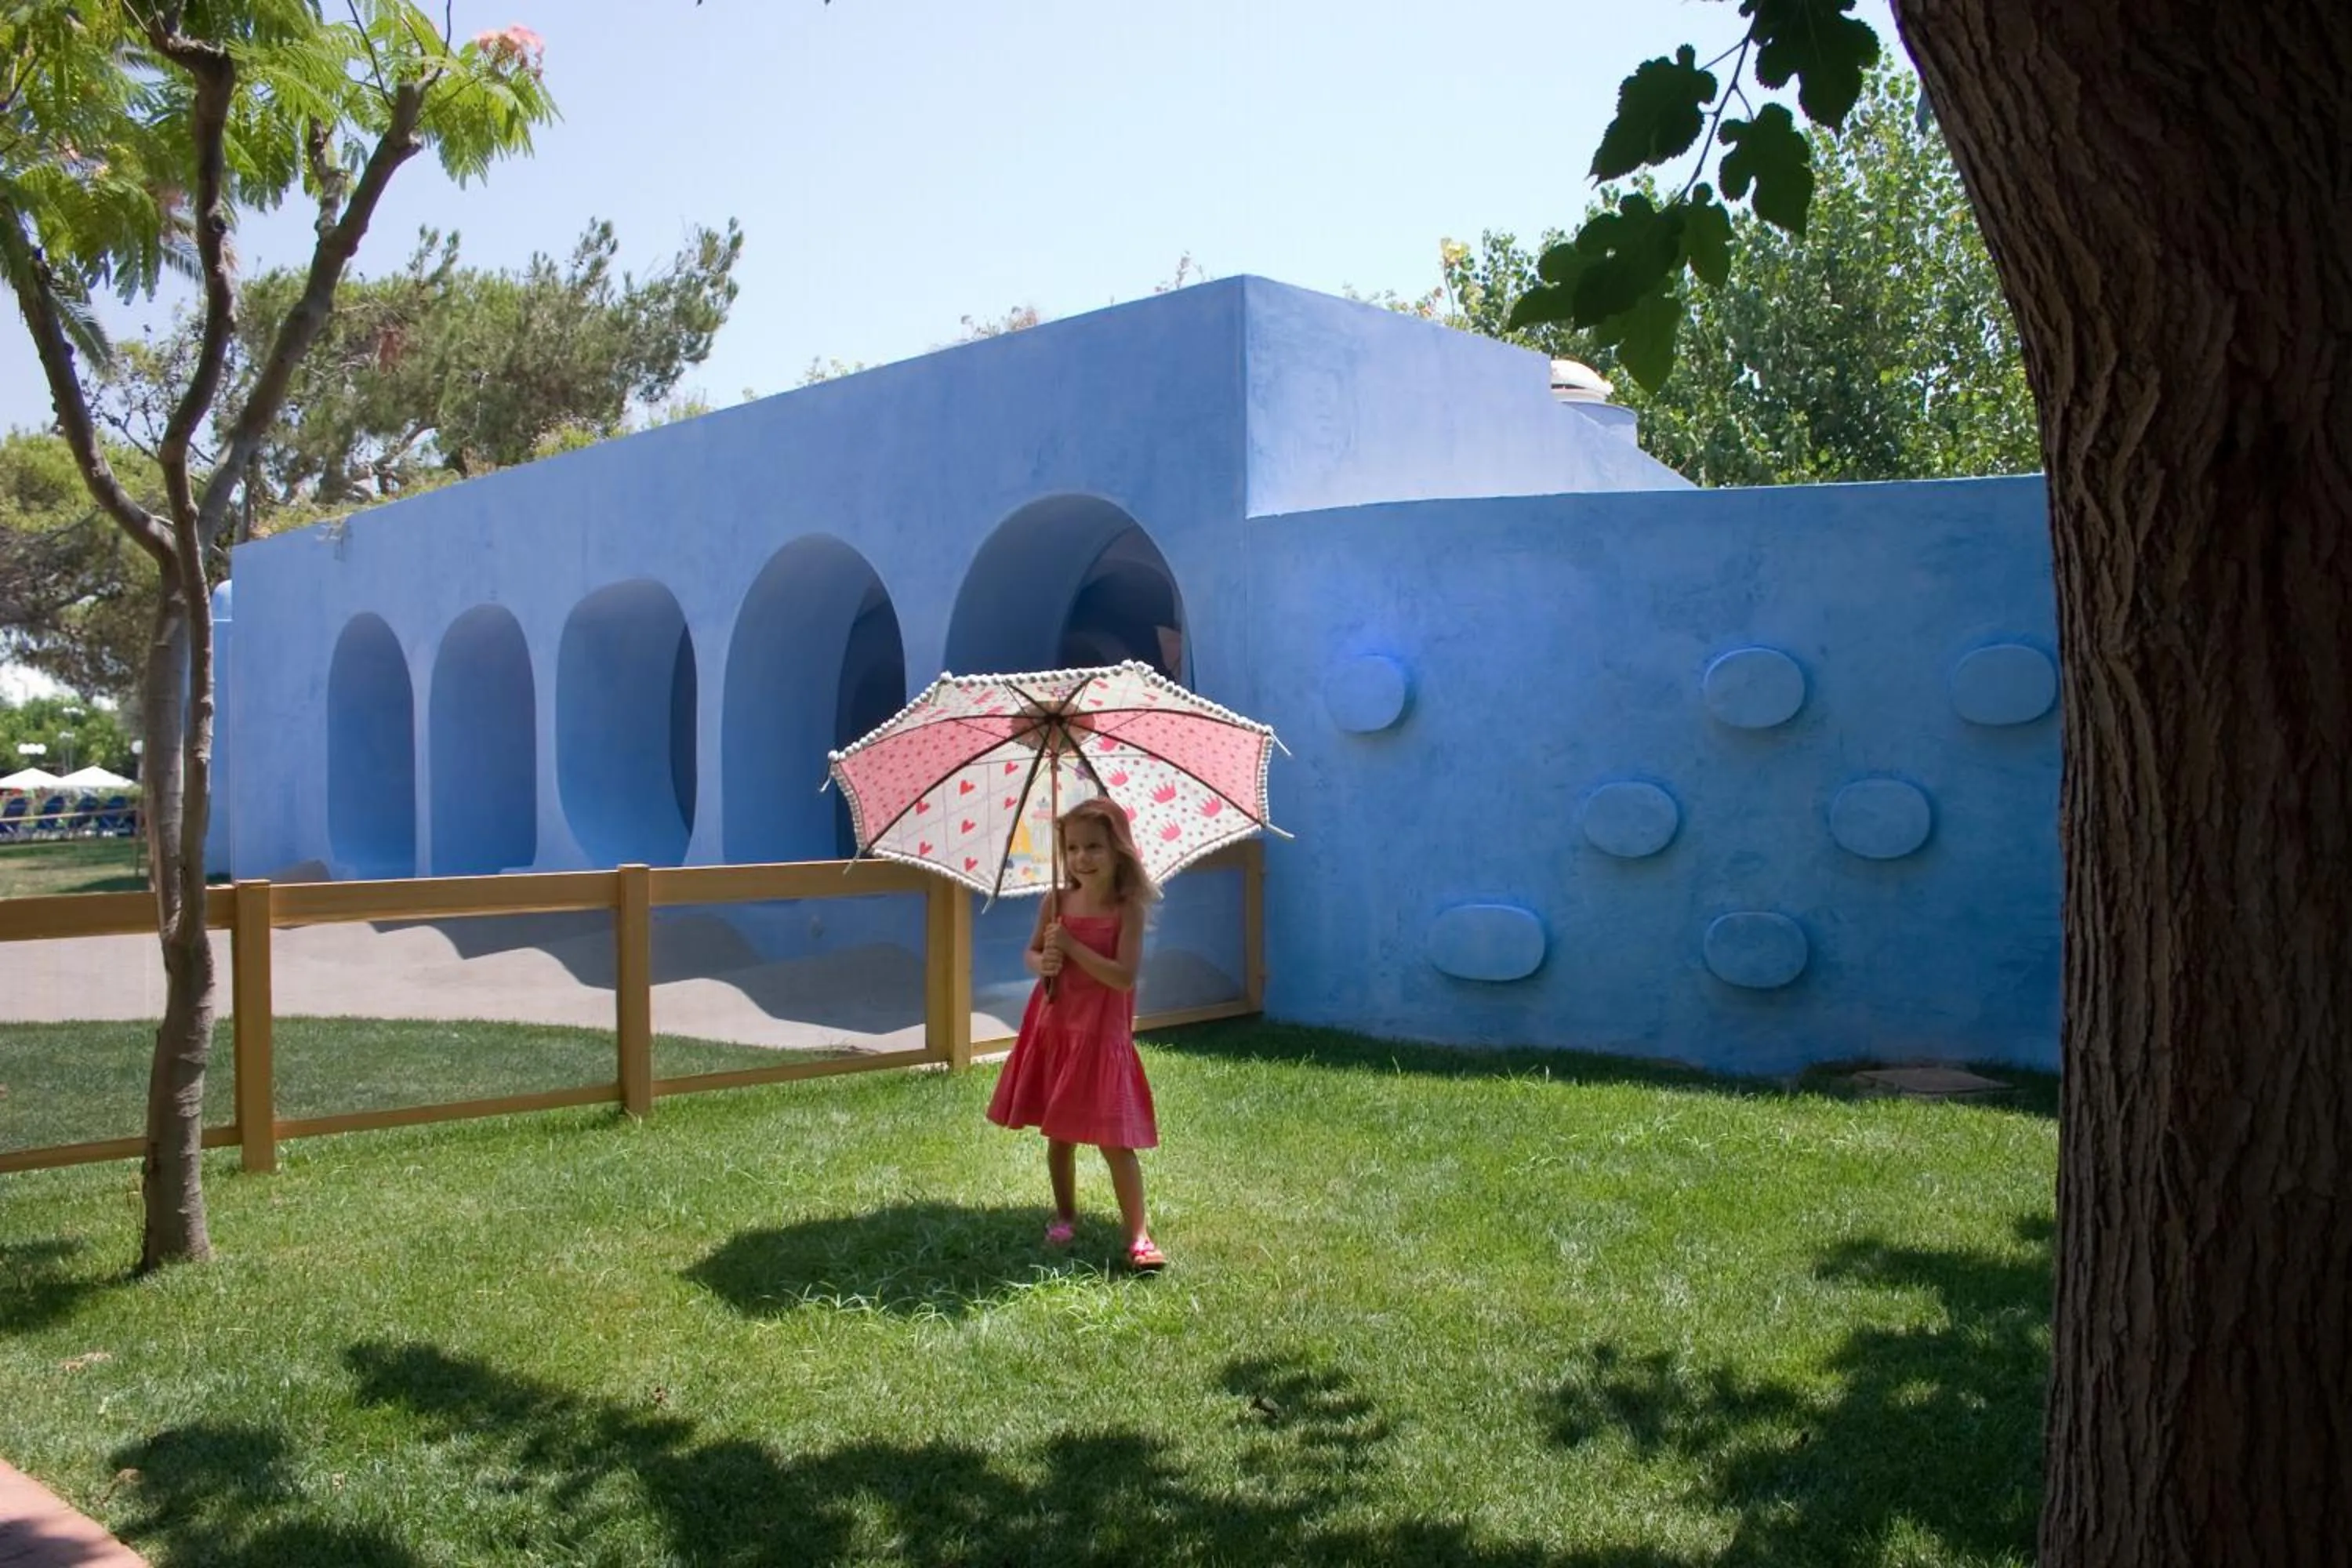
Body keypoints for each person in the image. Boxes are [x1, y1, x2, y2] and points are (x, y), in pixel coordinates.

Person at [985, 795, 1167, 1270]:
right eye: (1072, 848)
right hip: (1057, 1023)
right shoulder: (1056, 901)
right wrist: (1041, 959)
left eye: (1094, 848)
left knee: (1114, 1141)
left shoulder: (1128, 910)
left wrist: (1071, 946)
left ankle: (1140, 1237)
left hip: (1101, 1033)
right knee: (1059, 1135)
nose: (1081, 858)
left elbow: (1123, 977)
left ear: (1119, 851)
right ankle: (1065, 1215)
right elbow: (1030, 954)